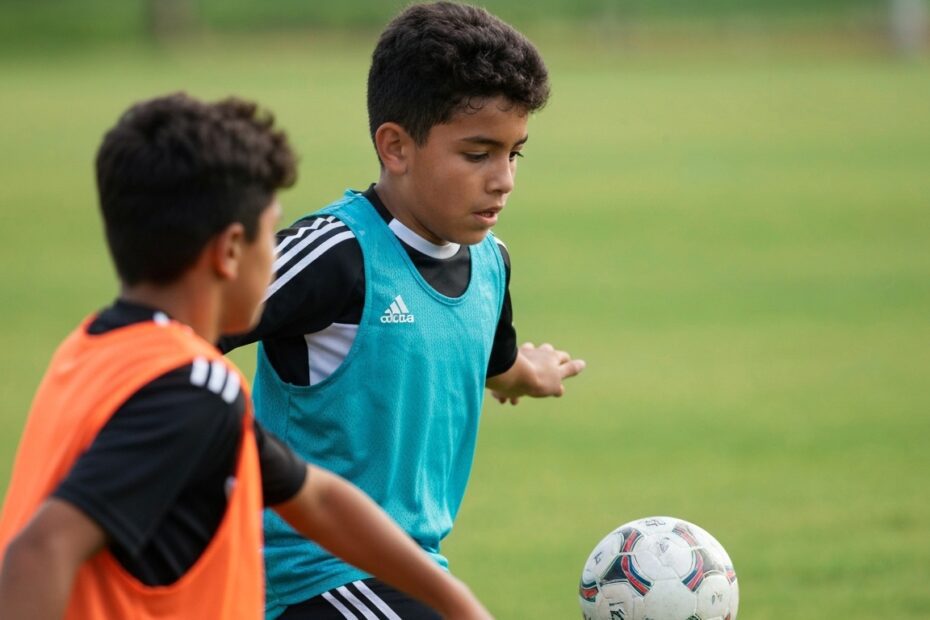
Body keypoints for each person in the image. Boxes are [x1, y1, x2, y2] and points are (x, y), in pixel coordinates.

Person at [0, 93, 492, 620]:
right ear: (231, 250)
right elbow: (40, 549)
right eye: (270, 232)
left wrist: (453, 602)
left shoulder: (99, 351)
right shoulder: (189, 390)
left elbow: (316, 500)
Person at [219, 3, 586, 618]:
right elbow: (179, 329)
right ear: (396, 146)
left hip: (403, 570)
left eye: (514, 153)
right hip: (306, 572)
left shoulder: (491, 264)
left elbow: (489, 363)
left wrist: (531, 374)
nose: (504, 180)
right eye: (478, 154)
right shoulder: (334, 255)